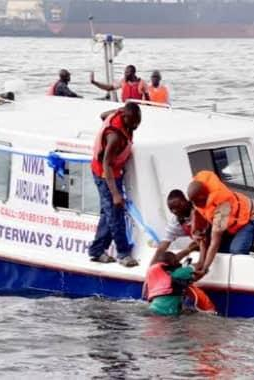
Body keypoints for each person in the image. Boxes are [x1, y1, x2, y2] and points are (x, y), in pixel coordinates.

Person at [88, 102, 142, 267]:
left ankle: (97, 250)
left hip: (114, 171)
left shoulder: (118, 114)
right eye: (133, 122)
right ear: (125, 117)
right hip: (105, 174)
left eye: (138, 122)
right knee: (115, 213)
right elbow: (106, 164)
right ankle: (123, 254)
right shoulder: (114, 136)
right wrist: (116, 194)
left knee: (108, 212)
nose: (135, 126)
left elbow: (103, 115)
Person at [187, 170, 254, 278]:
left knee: (236, 250)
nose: (195, 204)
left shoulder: (222, 205)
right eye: (193, 202)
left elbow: (215, 242)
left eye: (197, 202)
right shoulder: (198, 201)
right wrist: (195, 231)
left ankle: (250, 275)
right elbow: (195, 211)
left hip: (252, 218)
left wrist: (205, 269)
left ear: (203, 197)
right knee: (220, 251)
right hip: (233, 222)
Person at [144, 251, 196, 316]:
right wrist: (203, 248)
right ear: (174, 263)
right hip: (168, 312)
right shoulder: (178, 273)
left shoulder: (155, 271)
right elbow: (198, 266)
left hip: (153, 308)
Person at [154, 190, 199, 259]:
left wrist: (185, 252)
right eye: (171, 209)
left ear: (185, 201)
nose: (174, 211)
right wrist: (151, 267)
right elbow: (161, 248)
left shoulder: (199, 210)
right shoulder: (176, 222)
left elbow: (205, 239)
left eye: (177, 206)